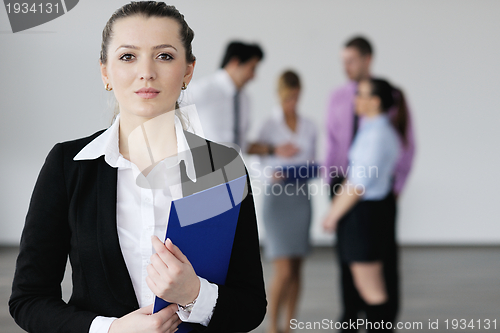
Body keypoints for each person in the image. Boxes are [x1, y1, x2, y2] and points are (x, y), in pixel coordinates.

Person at [9, 2, 266, 333]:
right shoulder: (68, 167)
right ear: (105, 71)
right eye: (128, 56)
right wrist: (110, 329)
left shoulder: (220, 169)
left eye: (165, 56)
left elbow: (251, 307)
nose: (146, 72)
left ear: (188, 71)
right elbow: (28, 300)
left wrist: (195, 295)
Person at [323, 36, 415, 331]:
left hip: (365, 205)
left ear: (367, 59)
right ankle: (352, 318)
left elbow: (361, 180)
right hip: (350, 195)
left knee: (374, 279)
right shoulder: (365, 120)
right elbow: (334, 144)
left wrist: (333, 214)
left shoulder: (379, 130)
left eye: (351, 60)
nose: (346, 67)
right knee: (357, 272)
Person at [256, 70, 316, 333]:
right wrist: (271, 172)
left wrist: (307, 168)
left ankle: (289, 325)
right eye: (287, 97)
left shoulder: (310, 126)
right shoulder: (269, 125)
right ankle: (273, 326)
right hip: (277, 198)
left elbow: (313, 160)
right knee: (283, 269)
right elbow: (253, 159)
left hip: (301, 196)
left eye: (295, 96)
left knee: (298, 266)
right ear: (279, 95)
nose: (291, 102)